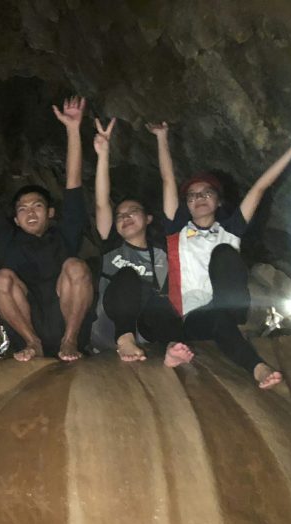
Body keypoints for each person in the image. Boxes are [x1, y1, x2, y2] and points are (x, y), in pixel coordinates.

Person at [153, 122, 291, 388]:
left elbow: (261, 187)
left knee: (225, 254)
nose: (199, 197)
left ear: (218, 202)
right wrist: (162, 137)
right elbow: (167, 179)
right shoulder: (177, 232)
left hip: (230, 304)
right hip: (193, 317)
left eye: (207, 193)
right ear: (187, 206)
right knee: (216, 319)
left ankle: (225, 329)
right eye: (193, 196)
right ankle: (257, 368)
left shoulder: (230, 231)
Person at [0, 98, 93, 363]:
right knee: (1, 278)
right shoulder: (9, 242)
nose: (30, 212)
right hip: (29, 325)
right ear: (15, 219)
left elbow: (73, 186)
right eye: (23, 209)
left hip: (66, 319)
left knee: (76, 265)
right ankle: (31, 342)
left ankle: (71, 339)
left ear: (50, 213)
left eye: (37, 206)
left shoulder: (65, 234)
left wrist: (73, 129)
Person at [91, 119, 194, 367]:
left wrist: (161, 138)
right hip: (110, 327)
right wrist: (103, 153)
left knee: (163, 298)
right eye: (120, 215)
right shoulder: (111, 245)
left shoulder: (162, 252)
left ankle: (173, 347)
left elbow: (169, 184)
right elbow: (101, 201)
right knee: (127, 275)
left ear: (148, 219)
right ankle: (124, 340)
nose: (125, 217)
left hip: (149, 331)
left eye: (133, 212)